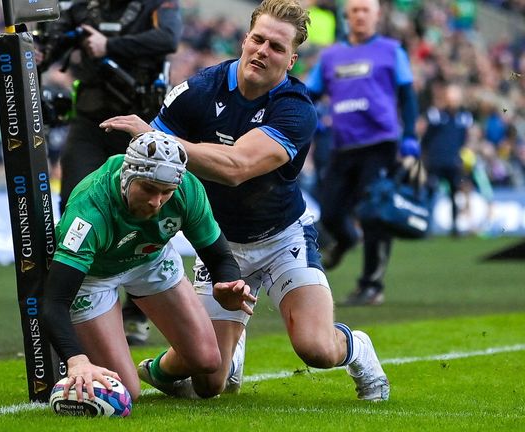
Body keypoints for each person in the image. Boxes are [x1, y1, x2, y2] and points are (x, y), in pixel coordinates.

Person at [100, 0, 390, 401]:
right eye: (258, 39)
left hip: (282, 238)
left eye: (275, 47)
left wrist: (157, 138)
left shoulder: (295, 108)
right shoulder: (197, 91)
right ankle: (170, 368)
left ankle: (358, 348)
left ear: (291, 59)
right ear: (244, 38)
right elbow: (153, 168)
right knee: (208, 382)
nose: (262, 51)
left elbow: (236, 166)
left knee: (316, 349)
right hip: (219, 245)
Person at [40, 131, 254, 402]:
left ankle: (157, 372)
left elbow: (220, 257)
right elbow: (55, 302)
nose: (156, 202)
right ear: (127, 176)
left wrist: (227, 283)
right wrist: (77, 360)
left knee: (208, 362)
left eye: (166, 193)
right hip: (94, 277)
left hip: (150, 258)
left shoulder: (187, 188)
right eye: (149, 189)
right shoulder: (88, 212)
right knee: (123, 392)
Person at [38, 0, 183, 345]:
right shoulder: (81, 7)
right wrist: (37, 51)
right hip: (89, 121)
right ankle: (80, 308)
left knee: (145, 208)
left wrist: (109, 47)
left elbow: (168, 39)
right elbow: (55, 42)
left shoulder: (158, 4)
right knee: (74, 202)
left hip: (138, 124)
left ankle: (135, 310)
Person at [304, 0, 420, 306]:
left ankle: (371, 284)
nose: (359, 15)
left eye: (365, 10)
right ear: (347, 16)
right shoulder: (330, 57)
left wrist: (409, 136)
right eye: (354, 10)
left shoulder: (392, 50)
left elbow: (408, 96)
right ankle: (346, 240)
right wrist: (304, 122)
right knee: (329, 213)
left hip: (381, 145)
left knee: (373, 215)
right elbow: (309, 95)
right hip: (343, 146)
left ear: (376, 15)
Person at [420, 83, 473, 237]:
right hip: (436, 162)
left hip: (453, 162)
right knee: (430, 193)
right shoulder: (436, 116)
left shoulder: (463, 118)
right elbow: (426, 139)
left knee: (455, 194)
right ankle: (426, 227)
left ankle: (455, 226)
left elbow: (463, 141)